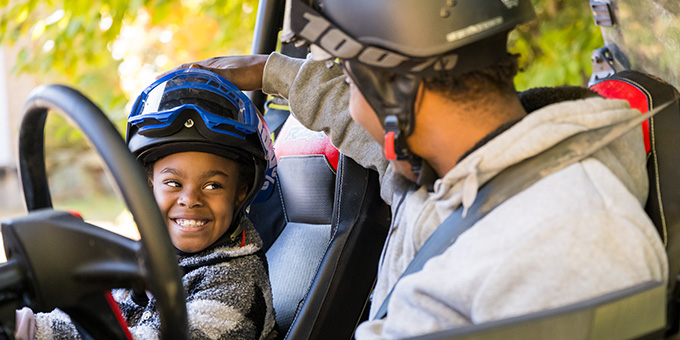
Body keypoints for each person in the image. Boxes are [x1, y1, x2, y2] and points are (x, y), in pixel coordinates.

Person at [165, 0, 668, 338]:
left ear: (400, 95)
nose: (351, 99)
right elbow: (354, 115)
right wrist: (270, 72)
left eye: (351, 75)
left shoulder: (570, 245)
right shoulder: (441, 170)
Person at [15, 69, 278, 340]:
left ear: (240, 193)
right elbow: (100, 317)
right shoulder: (151, 259)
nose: (190, 199)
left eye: (213, 186)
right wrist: (27, 326)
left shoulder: (239, 284)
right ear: (148, 185)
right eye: (173, 183)